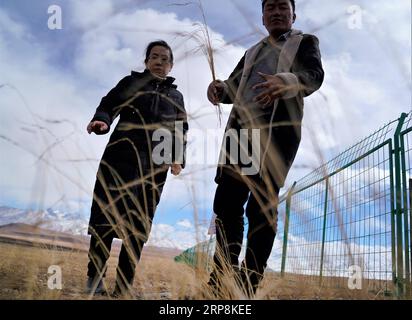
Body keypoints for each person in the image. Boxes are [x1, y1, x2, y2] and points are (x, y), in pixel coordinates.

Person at [206, 0, 324, 297]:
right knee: (227, 207)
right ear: (262, 16)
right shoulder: (251, 53)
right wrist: (219, 90)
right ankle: (221, 279)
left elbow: (314, 76)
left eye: (283, 7)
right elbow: (231, 89)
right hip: (240, 136)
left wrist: (288, 81)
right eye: (270, 7)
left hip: (276, 137)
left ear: (293, 14)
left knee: (260, 208)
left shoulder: (305, 42)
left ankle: (248, 283)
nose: (276, 12)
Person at [85, 40, 188, 297]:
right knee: (104, 220)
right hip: (118, 160)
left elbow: (179, 129)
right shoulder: (130, 83)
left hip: (153, 170)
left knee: (137, 228)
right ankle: (95, 279)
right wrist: (101, 119)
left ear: (171, 64)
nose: (159, 61)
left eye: (165, 58)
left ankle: (123, 286)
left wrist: (177, 157)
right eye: (154, 57)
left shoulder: (176, 96)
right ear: (146, 61)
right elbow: (109, 104)